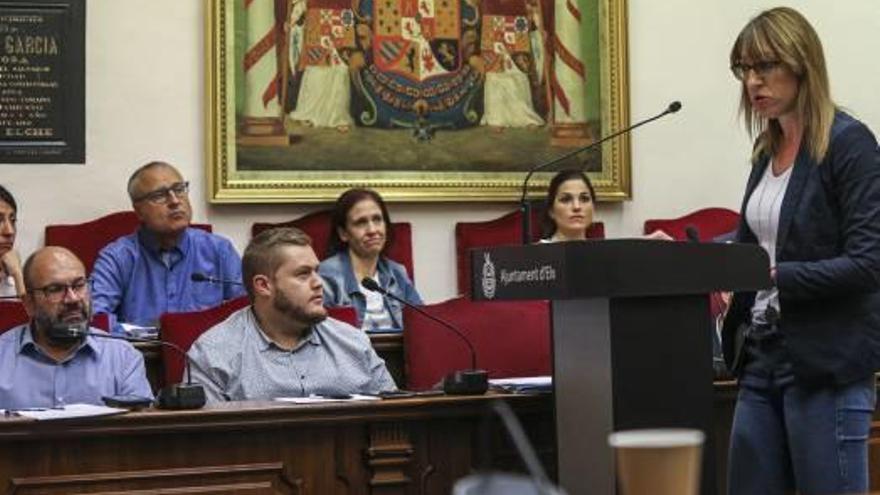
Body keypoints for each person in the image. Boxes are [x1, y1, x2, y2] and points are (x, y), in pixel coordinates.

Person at [721, 8, 880, 495]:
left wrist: (777, 276)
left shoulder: (849, 144)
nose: (753, 81)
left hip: (824, 362)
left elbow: (869, 260)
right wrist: (693, 257)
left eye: (765, 66)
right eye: (744, 69)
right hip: (762, 353)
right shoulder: (766, 150)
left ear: (801, 63)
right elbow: (756, 245)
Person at [187, 227, 397, 403]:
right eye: (303, 274)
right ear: (263, 286)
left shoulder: (353, 343)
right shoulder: (214, 354)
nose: (318, 283)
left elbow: (396, 416)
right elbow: (206, 444)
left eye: (317, 271)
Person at [91, 161, 245, 332]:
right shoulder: (117, 257)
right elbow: (96, 319)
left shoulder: (219, 250)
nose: (174, 201)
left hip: (207, 355)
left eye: (179, 189)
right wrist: (145, 335)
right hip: (141, 354)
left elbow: (245, 313)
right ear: (139, 211)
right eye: (159, 195)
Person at [0, 247, 152, 409]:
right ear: (29, 303)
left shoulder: (123, 359)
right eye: (55, 289)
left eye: (79, 285)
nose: (72, 299)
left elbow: (142, 429)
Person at [319, 188, 422, 332]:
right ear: (343, 233)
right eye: (361, 222)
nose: (372, 230)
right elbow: (323, 335)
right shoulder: (327, 275)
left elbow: (421, 324)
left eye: (377, 219)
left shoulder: (397, 272)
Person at [539, 169, 672, 242]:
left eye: (584, 199)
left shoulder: (601, 253)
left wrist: (646, 245)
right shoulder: (536, 255)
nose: (577, 206)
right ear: (551, 211)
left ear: (593, 207)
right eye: (566, 199)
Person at [0, 185, 24, 298]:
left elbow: (33, 316)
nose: (9, 231)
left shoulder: (16, 278)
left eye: (13, 221)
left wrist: (18, 276)